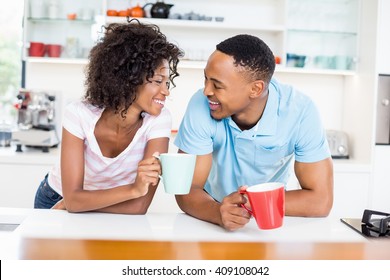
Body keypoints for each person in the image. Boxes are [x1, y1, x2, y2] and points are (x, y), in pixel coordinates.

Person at [174, 34, 333, 231]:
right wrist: (217, 212)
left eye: (217, 85)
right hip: (210, 210)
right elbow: (186, 189)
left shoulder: (300, 111)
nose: (206, 90)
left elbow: (320, 200)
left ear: (256, 89)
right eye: (205, 79)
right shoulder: (201, 104)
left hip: (273, 214)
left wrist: (250, 202)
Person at [34, 19, 184, 213]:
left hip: (104, 204)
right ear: (129, 78)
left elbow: (139, 206)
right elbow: (72, 199)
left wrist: (78, 205)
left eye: (167, 83)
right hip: (55, 200)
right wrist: (133, 190)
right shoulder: (79, 114)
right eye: (157, 81)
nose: (166, 92)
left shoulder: (158, 119)